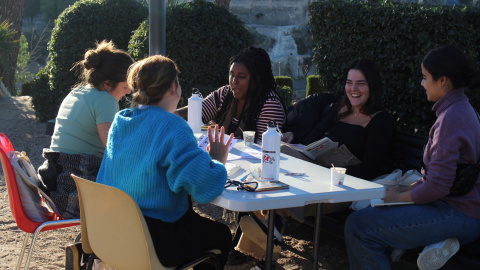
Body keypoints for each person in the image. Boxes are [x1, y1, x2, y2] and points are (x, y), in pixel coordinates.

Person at [344, 45, 480, 270]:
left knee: (359, 226)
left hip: (456, 215)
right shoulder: (463, 109)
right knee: (376, 215)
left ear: (443, 80)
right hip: (461, 211)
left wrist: (398, 197)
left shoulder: (451, 118)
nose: (422, 83)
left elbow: (437, 187)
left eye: (425, 77)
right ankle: (424, 243)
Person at [96, 55, 233, 269]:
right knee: (221, 235)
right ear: (172, 88)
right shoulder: (172, 126)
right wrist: (217, 159)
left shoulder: (121, 120)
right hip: (153, 239)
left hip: (113, 231)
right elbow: (204, 187)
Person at [38, 40, 134, 219]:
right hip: (75, 194)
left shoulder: (76, 93)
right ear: (107, 84)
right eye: (125, 86)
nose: (128, 92)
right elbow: (113, 147)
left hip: (55, 187)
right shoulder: (106, 100)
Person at [281, 58, 393, 181]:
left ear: (372, 87)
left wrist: (326, 172)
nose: (353, 88)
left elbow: (369, 169)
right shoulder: (339, 109)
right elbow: (310, 141)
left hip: (339, 181)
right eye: (349, 82)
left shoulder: (379, 119)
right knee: (280, 149)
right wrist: (293, 135)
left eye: (361, 83)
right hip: (313, 170)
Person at [177, 46, 286, 144]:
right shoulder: (225, 93)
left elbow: (265, 148)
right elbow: (196, 110)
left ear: (257, 78)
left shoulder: (270, 104)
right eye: (231, 75)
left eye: (242, 76)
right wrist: (169, 116)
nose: (234, 81)